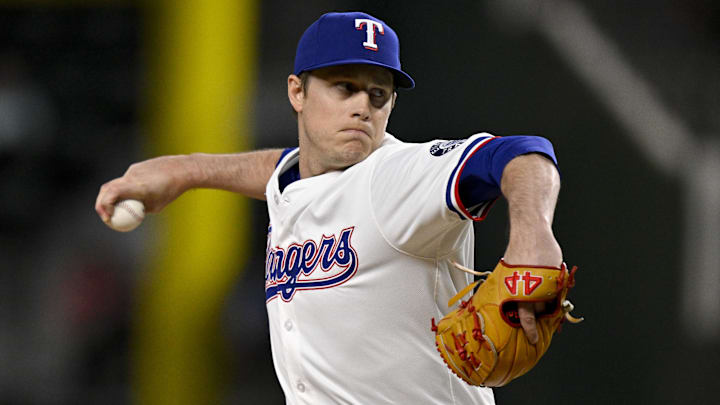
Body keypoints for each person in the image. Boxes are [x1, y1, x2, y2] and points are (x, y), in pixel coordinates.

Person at [96, 11, 564, 404]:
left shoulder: (399, 176)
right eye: (344, 87)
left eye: (378, 94)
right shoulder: (296, 180)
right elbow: (280, 171)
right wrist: (184, 170)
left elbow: (523, 154)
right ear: (297, 92)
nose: (362, 105)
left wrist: (533, 236)